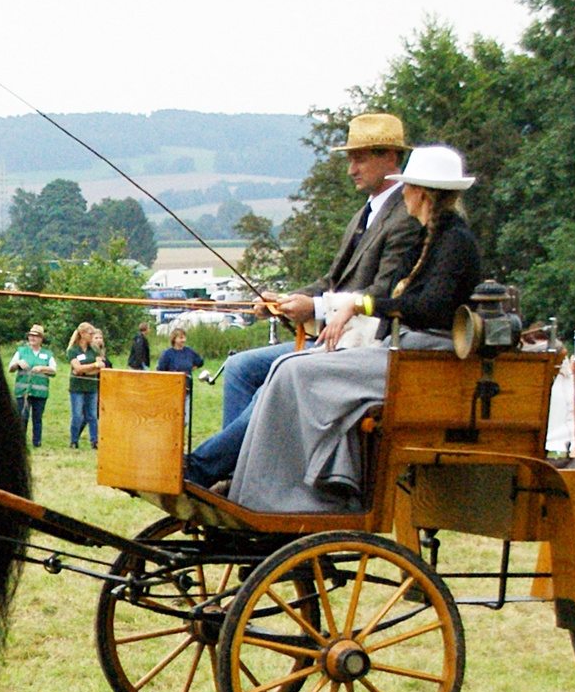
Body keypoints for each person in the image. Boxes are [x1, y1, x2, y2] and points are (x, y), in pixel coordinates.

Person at [196, 145, 482, 505]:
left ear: (420, 193)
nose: (404, 194)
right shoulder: (430, 235)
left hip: (419, 355)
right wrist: (291, 304)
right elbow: (344, 286)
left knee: (291, 370)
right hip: (397, 347)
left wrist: (356, 304)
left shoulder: (454, 241)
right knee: (279, 367)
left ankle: (223, 475)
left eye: (406, 186)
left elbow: (426, 307)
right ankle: (231, 476)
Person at [186, 113, 421, 476]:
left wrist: (313, 306)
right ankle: (236, 473)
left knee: (278, 375)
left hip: (360, 346)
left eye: (359, 158)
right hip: (332, 338)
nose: (350, 169)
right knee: (238, 367)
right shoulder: (367, 213)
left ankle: (204, 467)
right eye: (350, 159)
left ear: (389, 157)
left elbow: (382, 293)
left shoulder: (405, 216)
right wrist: (282, 301)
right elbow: (332, 282)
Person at [8, 325, 57, 448]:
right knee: (22, 417)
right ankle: (20, 442)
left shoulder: (47, 354)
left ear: (41, 339)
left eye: (36, 336)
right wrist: (18, 363)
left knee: (37, 418)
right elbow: (10, 368)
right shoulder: (21, 351)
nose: (32, 338)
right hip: (23, 391)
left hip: (40, 392)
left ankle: (37, 442)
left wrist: (42, 368)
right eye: (31, 335)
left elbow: (53, 371)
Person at [66, 322, 110, 449]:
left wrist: (87, 369)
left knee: (92, 415)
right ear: (82, 334)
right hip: (77, 387)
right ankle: (74, 441)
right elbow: (77, 368)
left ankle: (94, 441)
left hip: (92, 386)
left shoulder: (94, 350)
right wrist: (93, 366)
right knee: (77, 415)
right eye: (91, 334)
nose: (93, 336)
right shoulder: (73, 350)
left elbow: (101, 367)